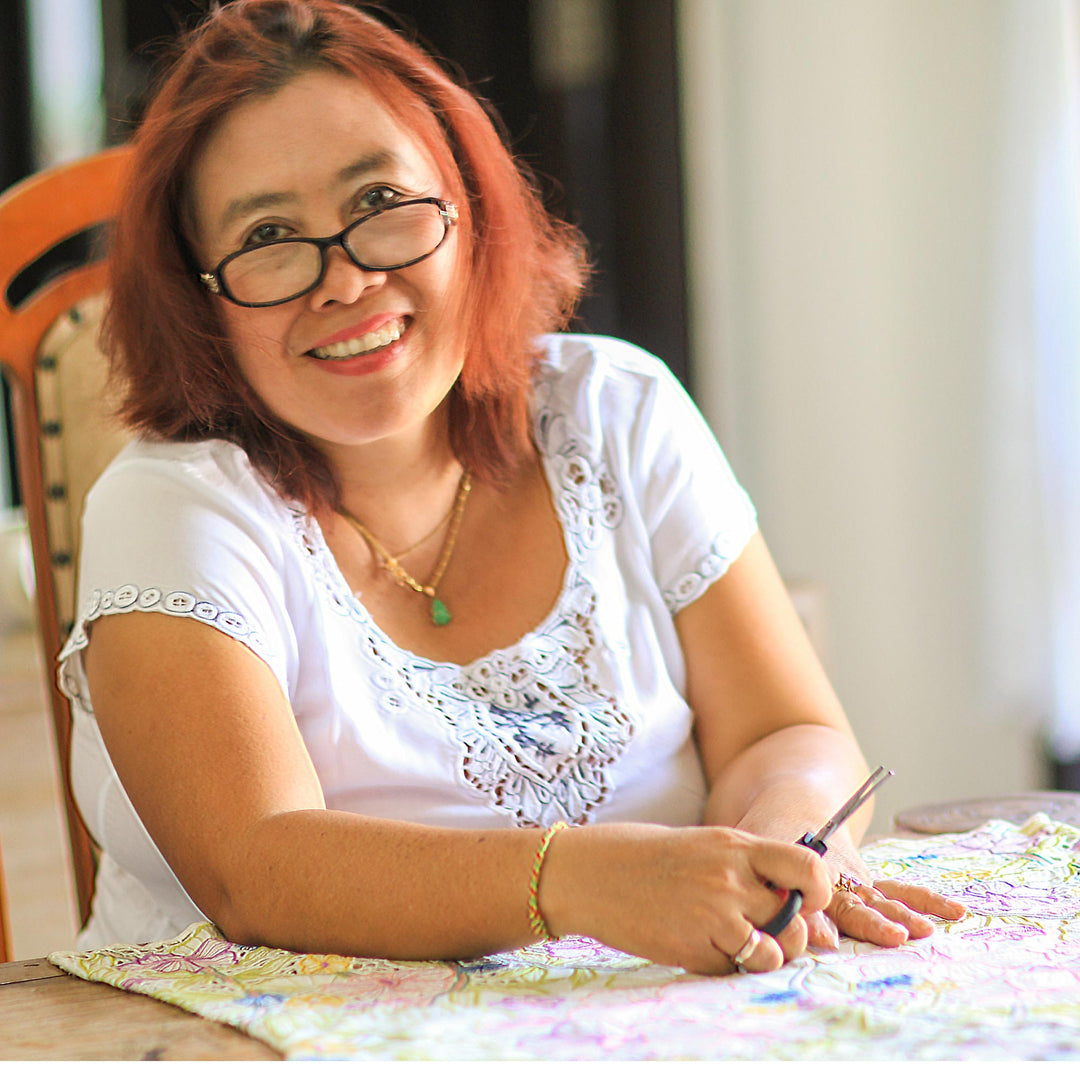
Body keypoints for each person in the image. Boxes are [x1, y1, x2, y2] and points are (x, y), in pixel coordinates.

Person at [58, 0, 963, 975]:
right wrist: (584, 882)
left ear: (470, 211)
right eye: (270, 233)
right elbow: (256, 866)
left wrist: (789, 846)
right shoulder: (172, 506)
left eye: (377, 206)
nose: (348, 281)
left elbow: (786, 731)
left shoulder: (617, 411)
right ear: (200, 295)